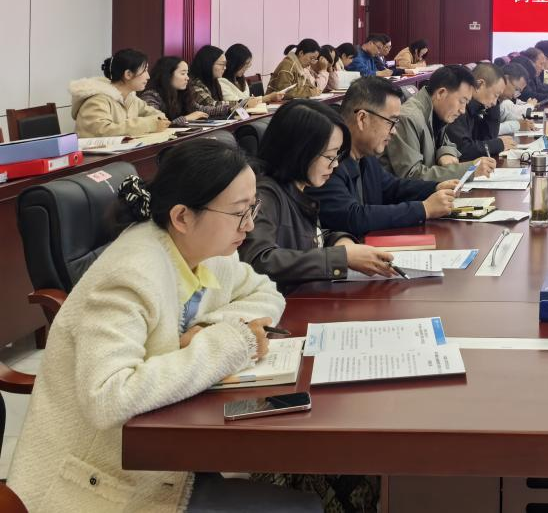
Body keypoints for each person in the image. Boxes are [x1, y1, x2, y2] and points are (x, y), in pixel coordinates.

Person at [6, 138, 321, 513]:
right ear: (183, 217)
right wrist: (229, 343)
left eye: (253, 208)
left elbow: (265, 291)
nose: (250, 225)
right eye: (239, 213)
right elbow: (108, 397)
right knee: (302, 503)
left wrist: (211, 327)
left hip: (166, 451)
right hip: (99, 482)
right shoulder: (130, 274)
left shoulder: (205, 250)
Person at [240, 100, 397, 289]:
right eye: (330, 156)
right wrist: (342, 257)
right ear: (300, 151)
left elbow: (307, 239)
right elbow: (259, 260)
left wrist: (340, 241)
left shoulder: (297, 189)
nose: (335, 164)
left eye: (337, 156)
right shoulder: (264, 195)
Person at [311, 77, 460, 238]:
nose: (394, 131)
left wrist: (435, 187)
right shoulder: (328, 160)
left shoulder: (365, 153)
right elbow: (351, 216)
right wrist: (424, 209)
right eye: (391, 122)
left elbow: (391, 188)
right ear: (362, 118)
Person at [384, 66, 495, 182]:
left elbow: (447, 144)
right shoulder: (409, 118)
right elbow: (411, 176)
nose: (463, 110)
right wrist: (470, 170)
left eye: (466, 103)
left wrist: (445, 153)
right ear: (441, 93)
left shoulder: (437, 111)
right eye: (462, 101)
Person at [70, 49, 171, 137]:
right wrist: (148, 124)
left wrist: (157, 121)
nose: (148, 76)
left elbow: (159, 116)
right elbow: (101, 131)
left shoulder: (132, 99)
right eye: (144, 70)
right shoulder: (97, 100)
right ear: (128, 74)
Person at [447, 62, 518, 160]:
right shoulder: (458, 107)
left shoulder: (475, 107)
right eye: (495, 95)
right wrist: (497, 145)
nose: (494, 102)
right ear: (480, 84)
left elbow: (487, 138)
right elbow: (462, 150)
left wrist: (494, 105)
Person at [139, 56, 210, 128]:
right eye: (183, 74)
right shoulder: (151, 96)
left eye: (187, 73)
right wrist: (187, 118)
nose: (187, 78)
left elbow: (200, 109)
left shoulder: (181, 93)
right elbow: (158, 123)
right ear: (168, 75)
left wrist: (217, 109)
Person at [186, 45, 245, 118]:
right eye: (221, 64)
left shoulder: (214, 81)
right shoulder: (194, 84)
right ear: (207, 64)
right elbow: (211, 105)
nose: (225, 68)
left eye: (225, 64)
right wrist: (240, 103)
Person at [220, 43, 284, 106]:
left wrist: (270, 97)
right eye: (245, 64)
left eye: (248, 64)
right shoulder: (222, 82)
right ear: (234, 63)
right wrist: (269, 97)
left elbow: (247, 101)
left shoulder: (240, 79)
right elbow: (239, 104)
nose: (247, 67)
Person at [498, 61, 537, 131]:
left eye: (518, 92)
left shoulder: (500, 100)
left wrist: (524, 123)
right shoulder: (489, 99)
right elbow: (488, 130)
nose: (514, 96)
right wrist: (517, 125)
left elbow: (511, 115)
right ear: (505, 79)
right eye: (516, 89)